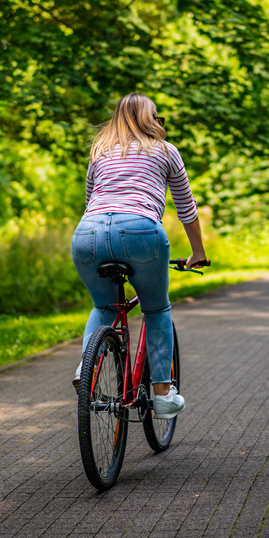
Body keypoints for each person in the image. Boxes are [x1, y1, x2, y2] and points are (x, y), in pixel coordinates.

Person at [70, 93, 207, 419]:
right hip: (140, 232)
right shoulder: (165, 150)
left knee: (104, 306)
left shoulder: (99, 151)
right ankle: (162, 395)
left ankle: (85, 370)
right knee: (157, 308)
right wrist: (198, 252)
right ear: (151, 118)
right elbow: (186, 208)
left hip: (87, 235)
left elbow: (91, 201)